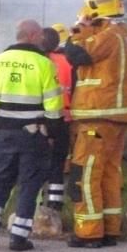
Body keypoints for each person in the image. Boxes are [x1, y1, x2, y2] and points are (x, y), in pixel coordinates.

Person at [65, 0, 127, 249]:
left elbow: (75, 54)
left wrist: (76, 33)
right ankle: (110, 229)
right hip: (117, 116)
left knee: (85, 174)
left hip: (98, 116)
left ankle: (89, 232)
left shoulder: (107, 35)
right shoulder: (124, 32)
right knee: (109, 173)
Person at [0, 19, 64, 251]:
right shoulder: (44, 64)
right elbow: (54, 106)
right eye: (39, 36)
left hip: (4, 133)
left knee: (0, 177)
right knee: (29, 183)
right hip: (33, 135)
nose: (42, 39)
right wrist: (53, 133)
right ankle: (18, 236)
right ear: (32, 35)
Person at [42, 25, 73, 210]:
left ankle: (36, 202)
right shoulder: (68, 61)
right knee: (58, 162)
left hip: (42, 119)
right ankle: (55, 202)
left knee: (37, 162)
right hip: (65, 118)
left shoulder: (40, 62)